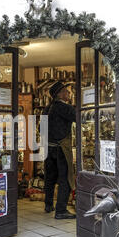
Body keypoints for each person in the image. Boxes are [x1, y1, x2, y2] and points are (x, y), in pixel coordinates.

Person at [42, 81, 76, 219]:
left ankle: (48, 204)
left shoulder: (47, 108)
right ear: (60, 94)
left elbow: (41, 129)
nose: (69, 93)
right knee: (66, 179)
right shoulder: (64, 108)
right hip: (61, 149)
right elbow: (79, 118)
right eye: (66, 91)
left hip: (48, 148)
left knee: (50, 178)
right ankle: (61, 210)